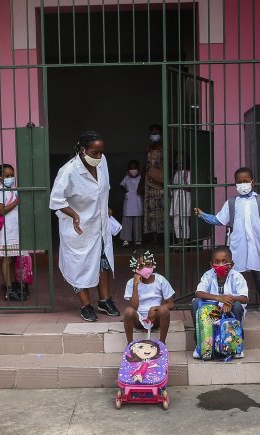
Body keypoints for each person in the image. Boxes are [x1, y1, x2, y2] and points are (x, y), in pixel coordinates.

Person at [50, 130, 120, 322]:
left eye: (101, 152)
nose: (99, 156)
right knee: (79, 266)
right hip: (78, 228)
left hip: (99, 224)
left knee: (102, 261)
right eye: (94, 153)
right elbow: (55, 200)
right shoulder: (69, 171)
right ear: (82, 150)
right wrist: (73, 215)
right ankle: (86, 305)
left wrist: (105, 208)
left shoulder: (102, 162)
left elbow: (103, 190)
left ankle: (104, 301)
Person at [194, 167, 260, 315]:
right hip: (237, 244)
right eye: (239, 182)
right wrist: (203, 215)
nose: (242, 184)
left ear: (252, 182)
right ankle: (235, 302)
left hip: (255, 243)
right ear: (236, 184)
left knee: (258, 272)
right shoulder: (232, 203)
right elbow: (219, 219)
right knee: (236, 273)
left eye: (245, 181)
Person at [191, 246, 250, 359]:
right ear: (211, 264)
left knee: (237, 306)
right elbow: (199, 292)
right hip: (211, 313)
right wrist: (220, 298)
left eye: (224, 262)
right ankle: (200, 345)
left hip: (229, 314)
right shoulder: (208, 275)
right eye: (216, 262)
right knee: (195, 303)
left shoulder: (237, 277)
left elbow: (245, 298)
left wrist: (230, 300)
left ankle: (236, 346)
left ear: (231, 264)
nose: (220, 265)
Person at [123, 250, 175, 344]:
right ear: (135, 268)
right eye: (141, 266)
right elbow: (134, 307)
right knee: (128, 311)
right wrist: (135, 285)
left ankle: (162, 343)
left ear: (153, 264)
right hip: (138, 320)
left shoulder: (160, 280)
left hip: (156, 319)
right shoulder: (131, 282)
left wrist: (155, 309)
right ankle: (130, 344)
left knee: (164, 310)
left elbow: (171, 304)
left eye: (148, 264)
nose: (145, 268)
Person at [0, 163, 23, 302]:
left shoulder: (14, 189)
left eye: (12, 175)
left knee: (13, 259)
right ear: (0, 178)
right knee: (6, 259)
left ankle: (14, 284)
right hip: (7, 230)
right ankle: (9, 289)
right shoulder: (0, 191)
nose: (10, 178)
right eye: (7, 176)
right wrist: (17, 201)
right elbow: (1, 210)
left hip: (16, 228)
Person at [142, 124, 164, 244]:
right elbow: (144, 165)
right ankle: (154, 239)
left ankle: (163, 239)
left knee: (162, 211)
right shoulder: (148, 148)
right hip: (149, 183)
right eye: (152, 133)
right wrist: (141, 183)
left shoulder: (166, 147)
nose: (154, 135)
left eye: (156, 133)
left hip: (162, 183)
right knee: (150, 213)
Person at [120, 159, 143, 247]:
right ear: (128, 169)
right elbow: (121, 186)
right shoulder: (126, 178)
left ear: (138, 169)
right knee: (127, 222)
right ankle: (126, 240)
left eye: (135, 168)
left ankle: (138, 240)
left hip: (137, 202)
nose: (133, 170)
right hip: (128, 203)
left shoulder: (141, 178)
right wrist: (125, 191)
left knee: (137, 222)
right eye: (131, 168)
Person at [170, 159, 192, 241]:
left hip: (185, 199)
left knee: (184, 223)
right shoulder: (176, 173)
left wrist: (180, 186)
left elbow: (190, 186)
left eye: (181, 161)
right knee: (176, 223)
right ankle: (179, 241)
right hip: (176, 200)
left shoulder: (188, 173)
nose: (179, 163)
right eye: (177, 161)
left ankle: (185, 242)